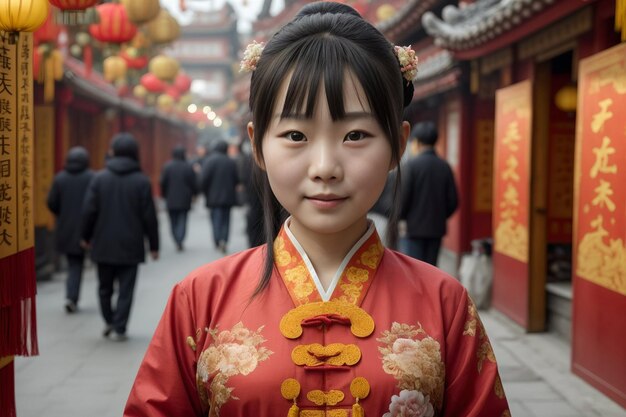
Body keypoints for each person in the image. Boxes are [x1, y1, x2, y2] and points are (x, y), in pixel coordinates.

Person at [125, 3, 510, 416]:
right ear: (257, 145)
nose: (325, 167)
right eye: (295, 134)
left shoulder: (446, 304)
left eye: (356, 134)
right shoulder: (199, 299)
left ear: (398, 145)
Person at [80, 133, 159, 341]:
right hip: (131, 244)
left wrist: (85, 236)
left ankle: (109, 319)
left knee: (104, 287)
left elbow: (89, 211)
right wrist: (154, 245)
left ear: (112, 152)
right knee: (126, 289)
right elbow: (149, 216)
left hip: (103, 243)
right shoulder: (142, 181)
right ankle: (120, 326)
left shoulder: (99, 179)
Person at [400, 121, 458, 266]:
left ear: (417, 142)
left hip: (414, 229)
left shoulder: (412, 166)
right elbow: (453, 201)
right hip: (436, 229)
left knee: (414, 269)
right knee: (431, 269)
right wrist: (440, 215)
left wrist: (402, 216)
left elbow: (404, 198)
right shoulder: (444, 166)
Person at [46, 146, 95, 313]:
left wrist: (62, 213)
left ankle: (71, 296)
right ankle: (72, 296)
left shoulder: (60, 178)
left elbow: (52, 202)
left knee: (73, 263)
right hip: (87, 227)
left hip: (66, 226)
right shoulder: (91, 177)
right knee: (78, 263)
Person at [200, 138, 239, 253]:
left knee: (216, 219)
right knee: (226, 220)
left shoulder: (209, 161)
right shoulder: (230, 162)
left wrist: (205, 192)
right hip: (228, 197)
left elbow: (203, 179)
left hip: (213, 197)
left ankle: (217, 240)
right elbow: (236, 179)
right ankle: (224, 240)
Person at [160, 145, 197, 251]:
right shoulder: (188, 166)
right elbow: (193, 182)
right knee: (182, 219)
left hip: (171, 198)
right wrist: (194, 194)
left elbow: (163, 182)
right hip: (185, 198)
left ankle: (176, 238)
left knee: (173, 220)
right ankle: (180, 239)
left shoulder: (167, 166)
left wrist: (164, 195)